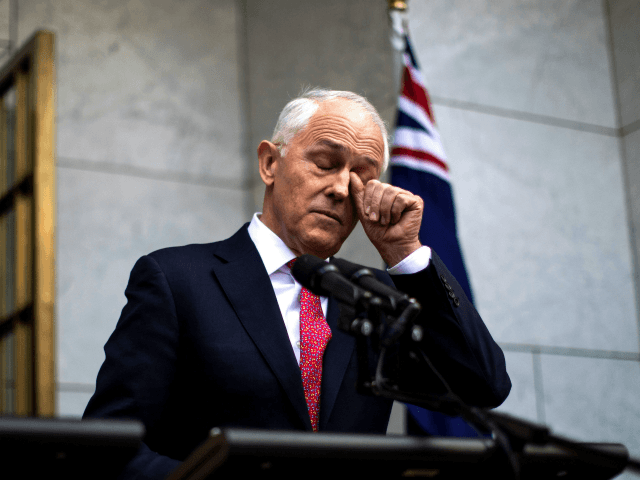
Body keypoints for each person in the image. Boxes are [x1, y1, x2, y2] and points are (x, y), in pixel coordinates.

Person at [83, 88, 511, 479]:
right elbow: (109, 448)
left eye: (363, 176)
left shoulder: (375, 301)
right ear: (270, 163)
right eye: (325, 163)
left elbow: (483, 386)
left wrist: (406, 254)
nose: (343, 188)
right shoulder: (177, 281)